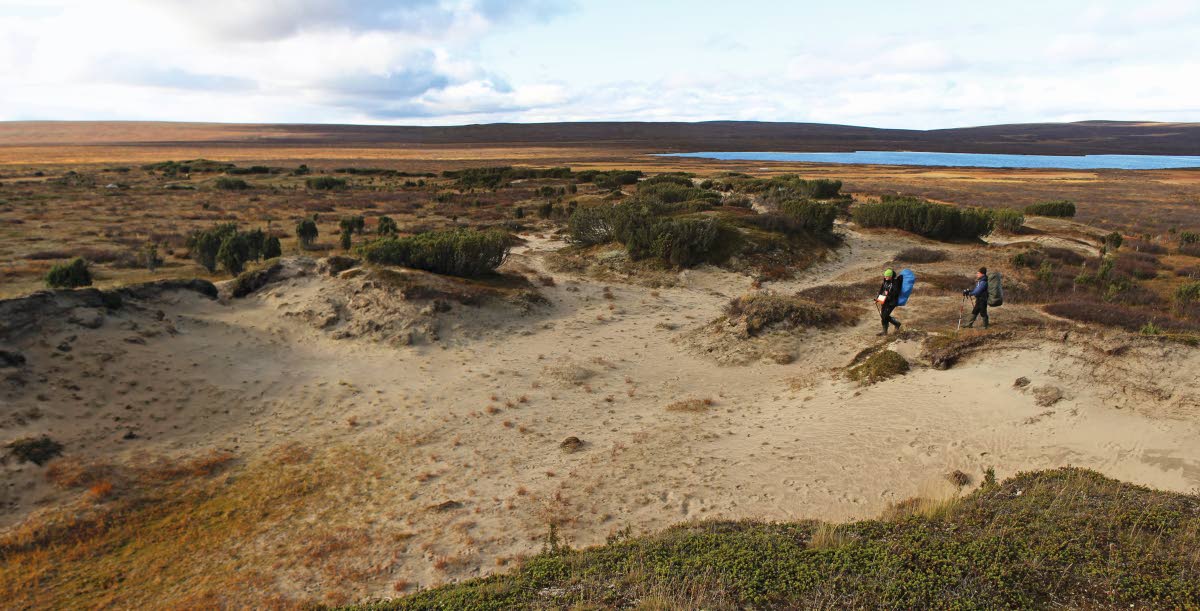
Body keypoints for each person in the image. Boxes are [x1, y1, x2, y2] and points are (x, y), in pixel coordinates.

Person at [876, 268, 903, 336]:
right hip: (885, 301)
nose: (885, 277)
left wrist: (888, 295)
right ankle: (885, 332)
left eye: (887, 276)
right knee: (883, 316)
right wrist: (878, 298)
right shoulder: (885, 281)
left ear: (891, 276)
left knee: (885, 316)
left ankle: (896, 324)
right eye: (885, 276)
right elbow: (881, 290)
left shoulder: (895, 282)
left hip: (891, 302)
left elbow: (896, 293)